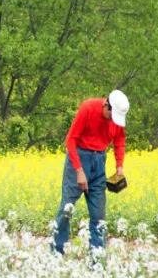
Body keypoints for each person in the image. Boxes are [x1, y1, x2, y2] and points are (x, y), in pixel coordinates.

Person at [51, 89, 129, 255]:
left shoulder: (116, 119)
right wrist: (79, 170)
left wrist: (119, 166)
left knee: (98, 214)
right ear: (106, 105)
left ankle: (97, 259)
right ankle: (56, 254)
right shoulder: (88, 108)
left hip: (99, 161)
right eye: (112, 116)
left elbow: (120, 140)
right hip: (79, 158)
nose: (113, 121)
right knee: (67, 208)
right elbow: (70, 140)